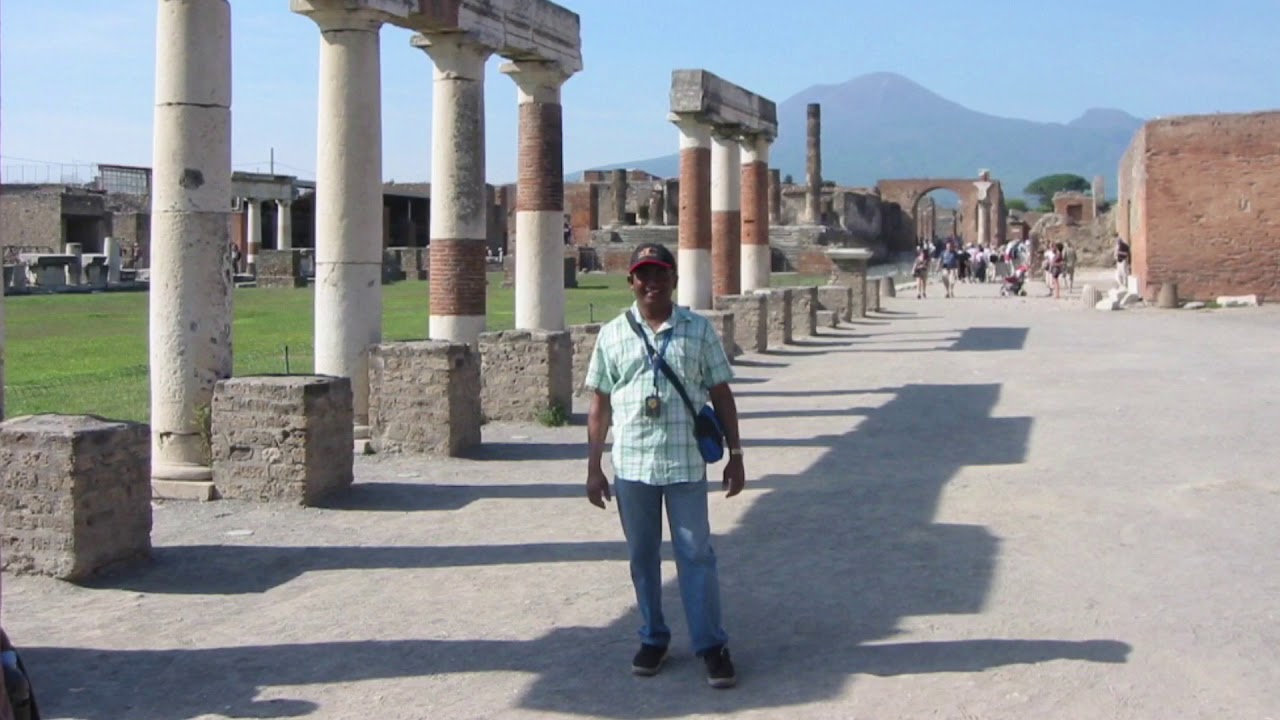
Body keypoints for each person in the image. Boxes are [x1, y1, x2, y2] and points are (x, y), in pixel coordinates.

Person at [585, 243, 745, 689]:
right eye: (643, 274)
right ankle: (653, 636)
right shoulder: (613, 334)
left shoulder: (698, 330)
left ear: (674, 278)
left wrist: (737, 455)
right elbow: (599, 403)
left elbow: (722, 394)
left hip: (685, 462)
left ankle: (711, 645)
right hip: (633, 463)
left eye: (660, 273)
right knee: (642, 557)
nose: (651, 281)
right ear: (631, 281)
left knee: (697, 555)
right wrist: (594, 466)